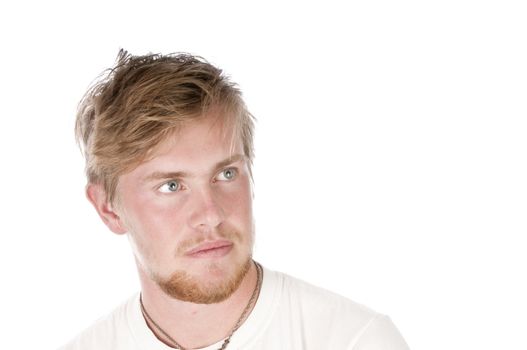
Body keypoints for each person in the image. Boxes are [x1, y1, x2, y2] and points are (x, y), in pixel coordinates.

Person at [60, 50, 410, 350]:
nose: (211, 215)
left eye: (226, 174)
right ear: (108, 208)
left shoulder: (353, 340)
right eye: (171, 185)